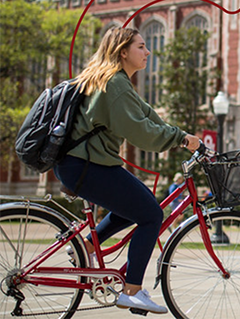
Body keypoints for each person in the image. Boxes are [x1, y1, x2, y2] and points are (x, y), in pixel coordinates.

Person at [54, 27, 200, 314]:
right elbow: (141, 131)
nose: (148, 52)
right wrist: (181, 139)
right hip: (86, 165)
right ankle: (132, 291)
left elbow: (146, 115)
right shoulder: (115, 84)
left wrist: (179, 133)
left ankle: (85, 246)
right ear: (123, 51)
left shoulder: (115, 81)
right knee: (151, 215)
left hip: (81, 164)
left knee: (135, 204)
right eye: (141, 47)